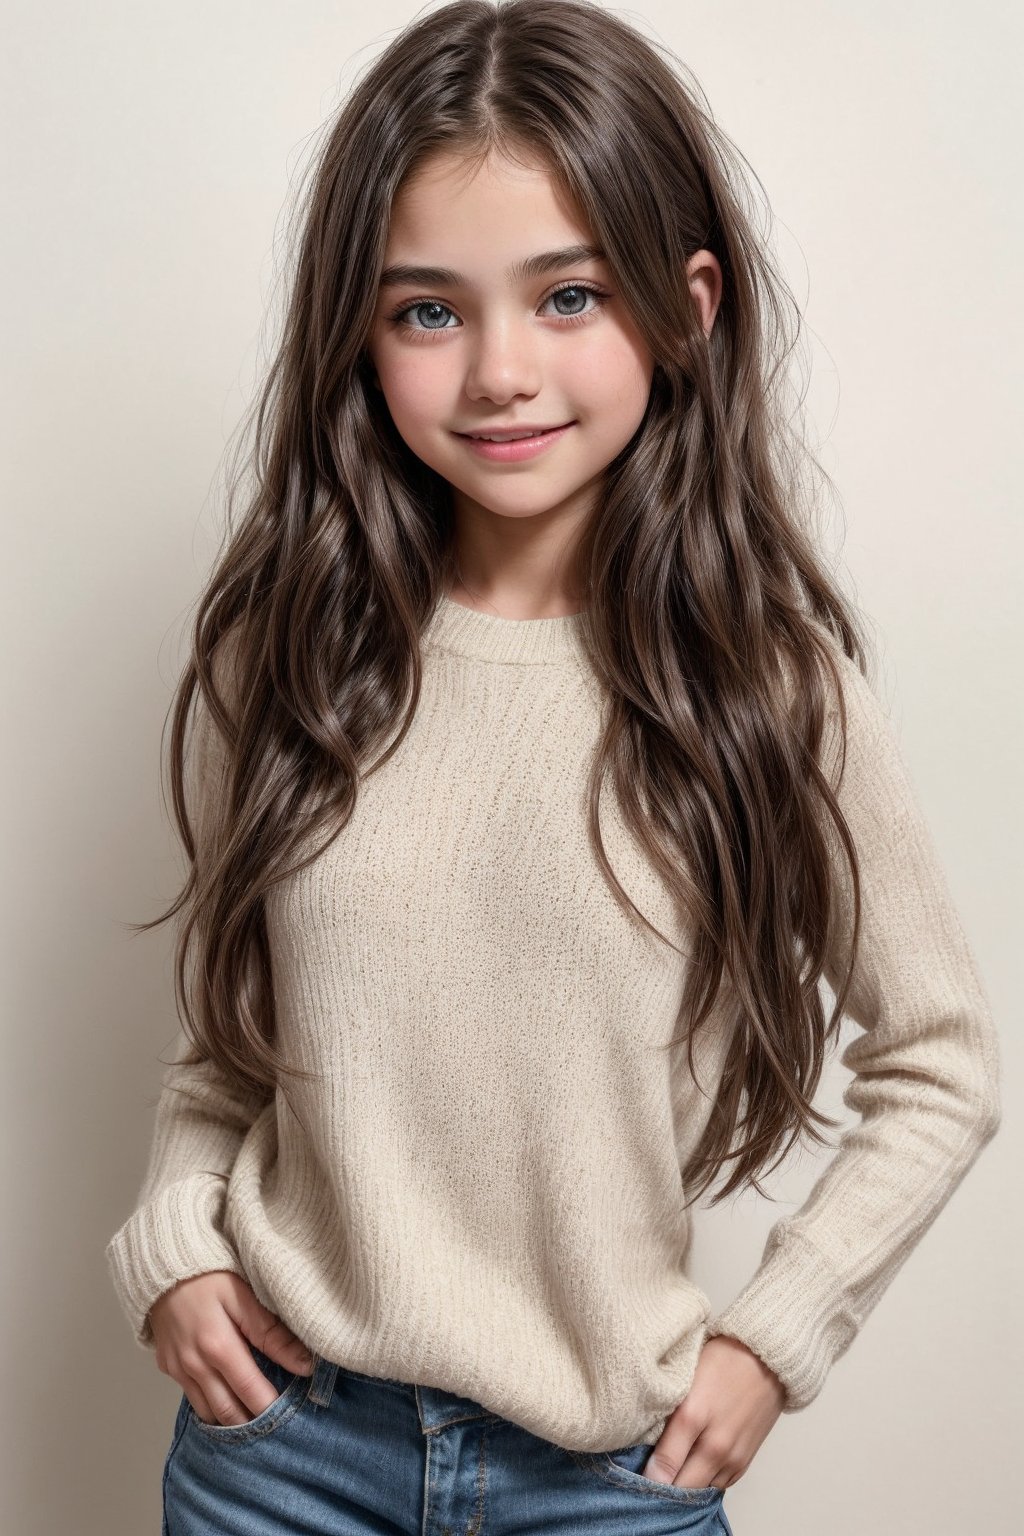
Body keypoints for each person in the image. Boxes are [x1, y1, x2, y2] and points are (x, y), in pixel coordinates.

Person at [105, 2, 1002, 1531]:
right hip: (283, 1457)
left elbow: (943, 1061)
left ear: (688, 304)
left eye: (570, 296)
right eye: (428, 312)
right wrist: (174, 1241)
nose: (501, 372)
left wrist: (775, 1343)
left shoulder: (770, 687)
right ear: (358, 333)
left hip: (601, 1478)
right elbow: (233, 1047)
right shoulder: (290, 652)